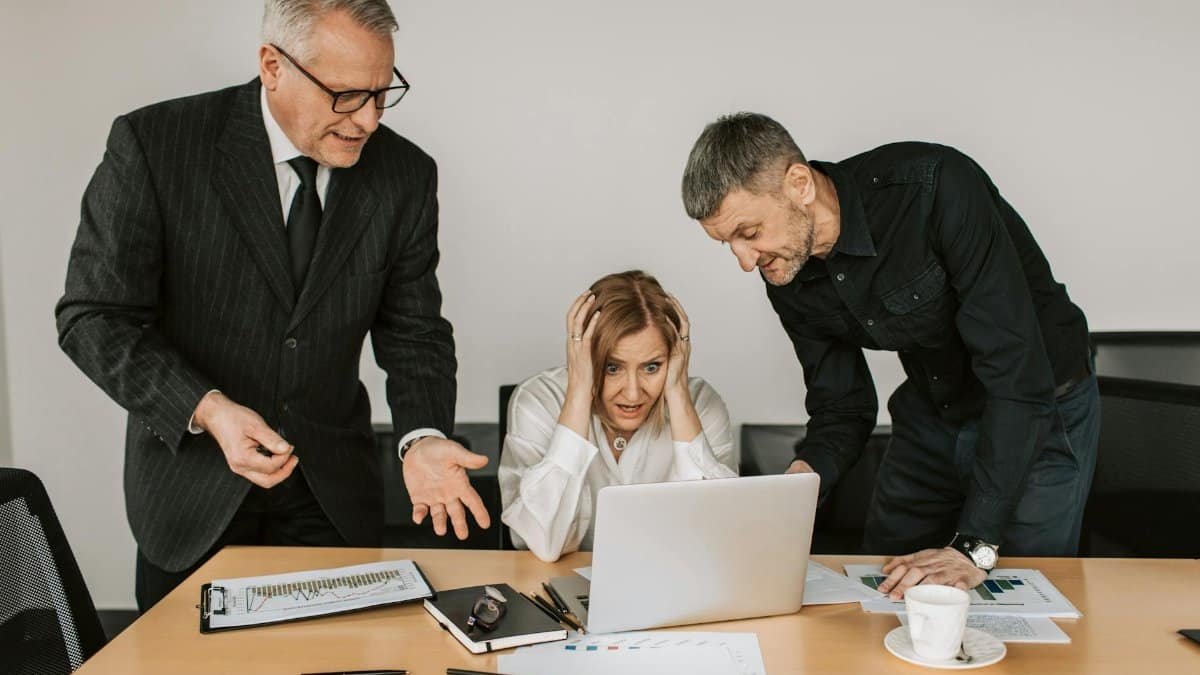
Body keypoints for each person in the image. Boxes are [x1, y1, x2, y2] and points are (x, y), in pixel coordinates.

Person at [55, 0, 489, 612]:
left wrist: (421, 436)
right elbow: (93, 317)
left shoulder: (406, 175)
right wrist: (206, 409)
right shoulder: (156, 145)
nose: (365, 119)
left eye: (381, 92)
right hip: (191, 496)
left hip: (331, 496)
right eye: (344, 95)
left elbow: (414, 332)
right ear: (272, 65)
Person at [680, 113, 1100, 599]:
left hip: (1040, 405)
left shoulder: (936, 189)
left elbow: (1016, 374)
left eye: (748, 232)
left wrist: (974, 546)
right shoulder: (786, 270)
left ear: (798, 184)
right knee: (884, 585)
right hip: (935, 405)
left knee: (1024, 593)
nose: (744, 260)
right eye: (727, 243)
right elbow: (842, 404)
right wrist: (800, 484)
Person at [499, 271, 737, 562]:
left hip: (670, 586)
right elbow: (544, 543)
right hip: (561, 590)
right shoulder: (539, 400)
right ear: (585, 357)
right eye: (613, 368)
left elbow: (717, 538)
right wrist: (579, 392)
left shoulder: (701, 404)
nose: (634, 394)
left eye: (652, 367)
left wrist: (677, 392)